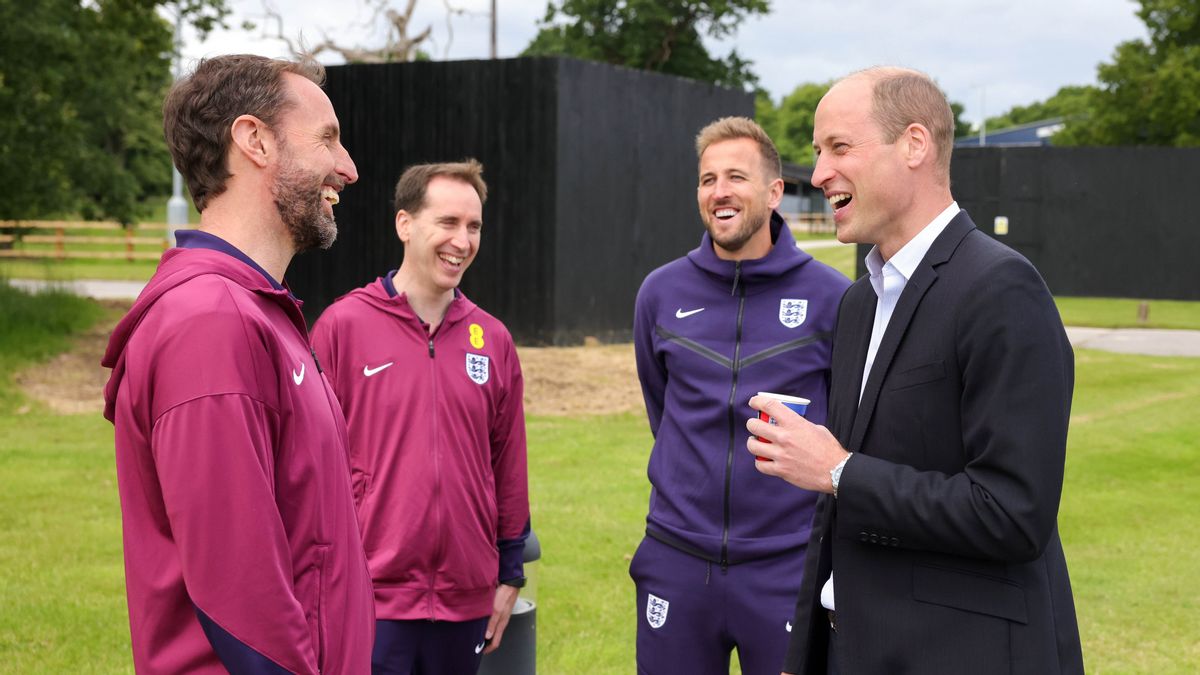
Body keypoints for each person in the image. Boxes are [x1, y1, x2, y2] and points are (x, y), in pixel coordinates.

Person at [747, 67, 1084, 674]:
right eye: (818, 152)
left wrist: (840, 471)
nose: (819, 172)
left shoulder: (1000, 288)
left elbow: (1012, 513)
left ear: (915, 144)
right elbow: (836, 517)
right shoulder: (858, 302)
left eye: (839, 147)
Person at [101, 55, 373, 673]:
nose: (348, 167)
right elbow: (243, 609)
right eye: (327, 138)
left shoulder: (254, 313)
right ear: (253, 140)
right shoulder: (210, 322)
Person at [631, 116, 850, 675]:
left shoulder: (833, 299)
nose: (719, 191)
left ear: (775, 192)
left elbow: (843, 431)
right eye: (707, 179)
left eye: (736, 176)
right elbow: (665, 411)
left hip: (787, 565)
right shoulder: (660, 292)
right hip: (676, 558)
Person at [311, 159, 530, 675]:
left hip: (465, 600)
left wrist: (508, 575)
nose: (463, 240)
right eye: (448, 223)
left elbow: (509, 466)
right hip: (370, 596)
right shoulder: (343, 326)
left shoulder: (493, 340)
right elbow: (311, 467)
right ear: (405, 224)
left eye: (473, 226)